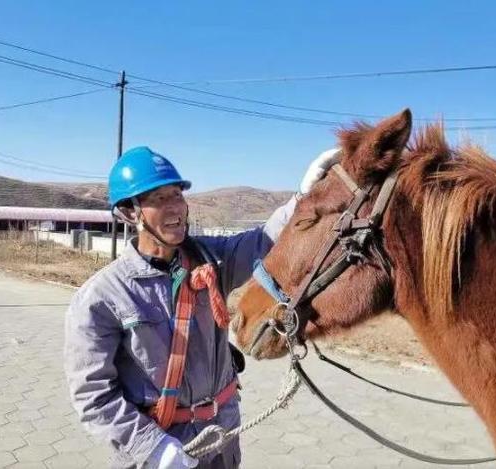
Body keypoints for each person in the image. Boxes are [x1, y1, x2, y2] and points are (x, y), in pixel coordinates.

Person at [64, 146, 339, 469]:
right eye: (159, 199)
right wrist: (151, 446)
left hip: (221, 436)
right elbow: (93, 395)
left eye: (177, 194)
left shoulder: (210, 259)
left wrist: (301, 197)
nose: (176, 208)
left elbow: (261, 241)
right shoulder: (102, 297)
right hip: (160, 447)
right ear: (129, 213)